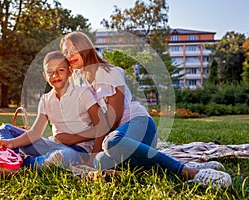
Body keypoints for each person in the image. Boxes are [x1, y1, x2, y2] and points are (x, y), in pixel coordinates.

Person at [59, 31, 232, 188]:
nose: (70, 55)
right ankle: (179, 163)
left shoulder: (109, 73)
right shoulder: (78, 82)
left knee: (112, 143)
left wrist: (84, 141)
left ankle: (192, 173)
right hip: (119, 141)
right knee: (99, 162)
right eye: (66, 52)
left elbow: (112, 119)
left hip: (138, 125)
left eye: (73, 49)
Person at [0, 51, 109, 174]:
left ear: (70, 71)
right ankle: (10, 161)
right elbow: (35, 133)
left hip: (78, 152)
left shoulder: (83, 93)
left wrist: (92, 159)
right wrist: (12, 143)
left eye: (60, 70)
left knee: (61, 156)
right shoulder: (46, 99)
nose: (55, 75)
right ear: (44, 75)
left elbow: (102, 126)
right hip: (51, 145)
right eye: (50, 72)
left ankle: (19, 165)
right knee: (5, 129)